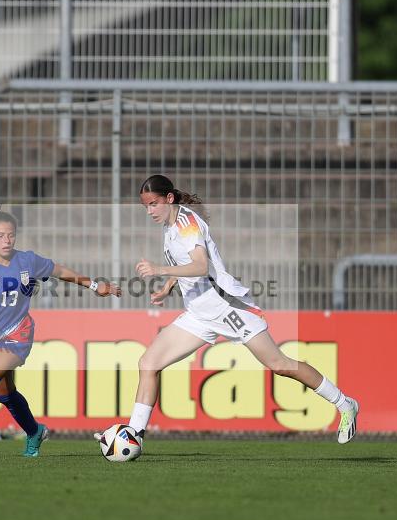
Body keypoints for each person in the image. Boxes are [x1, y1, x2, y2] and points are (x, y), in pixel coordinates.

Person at [97, 175, 358, 454]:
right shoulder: (170, 225)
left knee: (280, 365)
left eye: (153, 204)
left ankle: (345, 404)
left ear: (169, 199)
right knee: (149, 362)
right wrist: (167, 287)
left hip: (228, 307)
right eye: (145, 206)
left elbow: (199, 266)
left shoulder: (188, 225)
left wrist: (159, 270)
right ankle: (134, 434)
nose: (150, 211)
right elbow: (183, 263)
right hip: (199, 314)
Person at [0, 205, 121, 457]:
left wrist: (94, 285)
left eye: (10, 234)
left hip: (17, 333)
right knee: (4, 393)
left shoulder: (28, 261)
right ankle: (35, 431)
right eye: (0, 235)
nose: (7, 240)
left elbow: (61, 272)